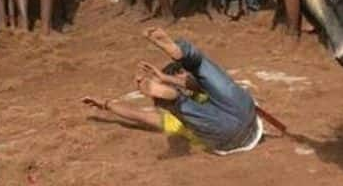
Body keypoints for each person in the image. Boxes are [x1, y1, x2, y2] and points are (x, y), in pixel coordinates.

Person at [83, 27, 262, 154]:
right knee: (201, 68)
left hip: (227, 136)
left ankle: (173, 99)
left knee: (183, 106)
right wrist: (166, 77)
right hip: (246, 110)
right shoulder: (201, 93)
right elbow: (194, 83)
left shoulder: (173, 121)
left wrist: (107, 104)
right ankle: (186, 54)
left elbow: (138, 115)